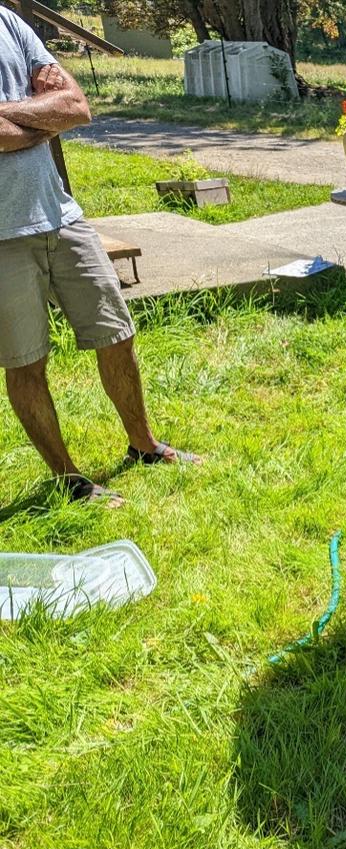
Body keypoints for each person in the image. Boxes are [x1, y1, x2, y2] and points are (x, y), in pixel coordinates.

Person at [0, 7, 199, 508]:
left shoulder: (8, 21)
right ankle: (71, 480)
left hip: (60, 215)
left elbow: (76, 107)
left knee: (116, 333)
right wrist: (41, 117)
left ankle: (144, 445)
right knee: (26, 363)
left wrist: (15, 116)